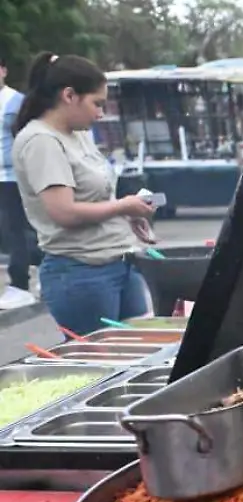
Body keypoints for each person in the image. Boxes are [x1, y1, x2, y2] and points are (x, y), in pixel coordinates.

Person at [11, 53, 156, 335]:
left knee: (138, 357)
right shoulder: (41, 141)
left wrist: (128, 214)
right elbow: (63, 212)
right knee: (105, 365)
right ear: (69, 95)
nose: (100, 114)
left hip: (120, 262)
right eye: (96, 104)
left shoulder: (77, 134)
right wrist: (122, 206)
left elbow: (95, 199)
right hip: (82, 272)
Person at [1, 55, 42, 310]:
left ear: (3, 70)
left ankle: (20, 285)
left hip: (11, 177)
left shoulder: (16, 102)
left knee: (17, 231)